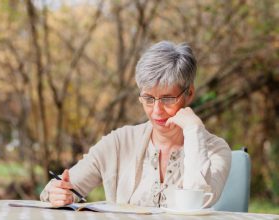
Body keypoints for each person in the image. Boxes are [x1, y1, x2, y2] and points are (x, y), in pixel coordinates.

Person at [40, 41, 231, 208]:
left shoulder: (216, 150)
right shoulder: (118, 143)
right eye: (148, 98)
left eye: (167, 99)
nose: (156, 111)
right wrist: (58, 193)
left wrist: (193, 131)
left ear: (189, 93)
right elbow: (57, 189)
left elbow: (196, 203)